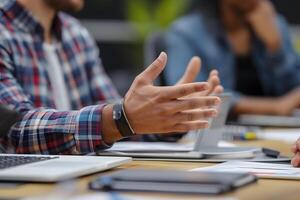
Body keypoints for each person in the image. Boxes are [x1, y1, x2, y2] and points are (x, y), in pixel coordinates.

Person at [0, 0, 223, 154]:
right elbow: (13, 131)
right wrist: (120, 119)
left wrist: (169, 116)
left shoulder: (75, 34)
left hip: (81, 182)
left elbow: (120, 124)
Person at [165, 0, 300, 116]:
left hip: (277, 129)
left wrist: (275, 47)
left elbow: (293, 88)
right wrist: (275, 107)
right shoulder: (187, 33)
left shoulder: (274, 24)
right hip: (217, 129)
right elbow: (190, 94)